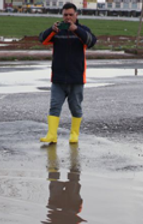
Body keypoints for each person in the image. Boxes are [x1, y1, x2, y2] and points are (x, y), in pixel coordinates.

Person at [38, 2, 97, 144]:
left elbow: (91, 41)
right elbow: (42, 40)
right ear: (62, 15)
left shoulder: (83, 30)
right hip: (58, 78)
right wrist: (52, 30)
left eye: (71, 15)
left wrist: (76, 29)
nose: (68, 18)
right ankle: (52, 135)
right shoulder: (58, 31)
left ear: (76, 15)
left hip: (76, 78)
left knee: (76, 108)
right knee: (54, 106)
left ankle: (74, 134)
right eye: (65, 15)